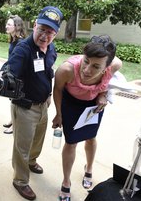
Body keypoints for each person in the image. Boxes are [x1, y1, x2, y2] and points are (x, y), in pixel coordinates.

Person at [0, 6, 63, 200]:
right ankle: (20, 180)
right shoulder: (23, 48)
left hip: (43, 104)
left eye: (50, 31)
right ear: (34, 25)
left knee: (37, 141)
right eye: (42, 29)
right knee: (22, 146)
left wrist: (49, 93)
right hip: (25, 107)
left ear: (56, 33)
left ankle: (32, 161)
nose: (45, 35)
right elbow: (8, 70)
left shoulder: (51, 49)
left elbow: (47, 72)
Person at [52, 35, 122, 200]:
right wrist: (58, 114)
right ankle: (66, 181)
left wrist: (103, 95)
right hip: (70, 105)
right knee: (71, 142)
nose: (87, 69)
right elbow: (57, 90)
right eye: (86, 61)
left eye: (96, 66)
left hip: (93, 106)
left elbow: (107, 83)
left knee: (91, 138)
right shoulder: (67, 70)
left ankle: (88, 168)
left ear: (107, 67)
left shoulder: (114, 65)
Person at [3, 14, 26, 134]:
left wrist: (5, 70)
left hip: (17, 76)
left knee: (16, 100)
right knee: (12, 99)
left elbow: (16, 61)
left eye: (9, 24)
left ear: (16, 26)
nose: (6, 26)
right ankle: (12, 120)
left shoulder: (20, 42)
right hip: (12, 72)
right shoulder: (13, 40)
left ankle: (15, 125)